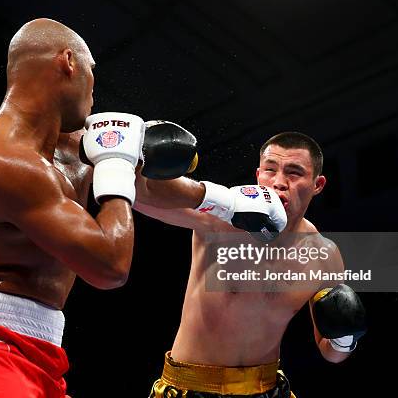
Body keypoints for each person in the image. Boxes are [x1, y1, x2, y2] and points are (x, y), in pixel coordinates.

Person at [0, 18, 196, 397]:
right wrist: (116, 163)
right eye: (92, 72)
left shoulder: (68, 148)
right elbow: (110, 266)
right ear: (68, 62)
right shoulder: (2, 162)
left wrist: (227, 203)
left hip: (41, 354)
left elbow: (147, 186)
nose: (94, 90)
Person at [134, 131, 366, 398]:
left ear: (317, 184)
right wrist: (135, 157)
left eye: (294, 173)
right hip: (192, 386)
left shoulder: (323, 256)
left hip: (267, 389)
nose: (279, 182)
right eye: (270, 170)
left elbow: (331, 353)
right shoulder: (221, 221)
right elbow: (142, 194)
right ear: (258, 175)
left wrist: (345, 339)